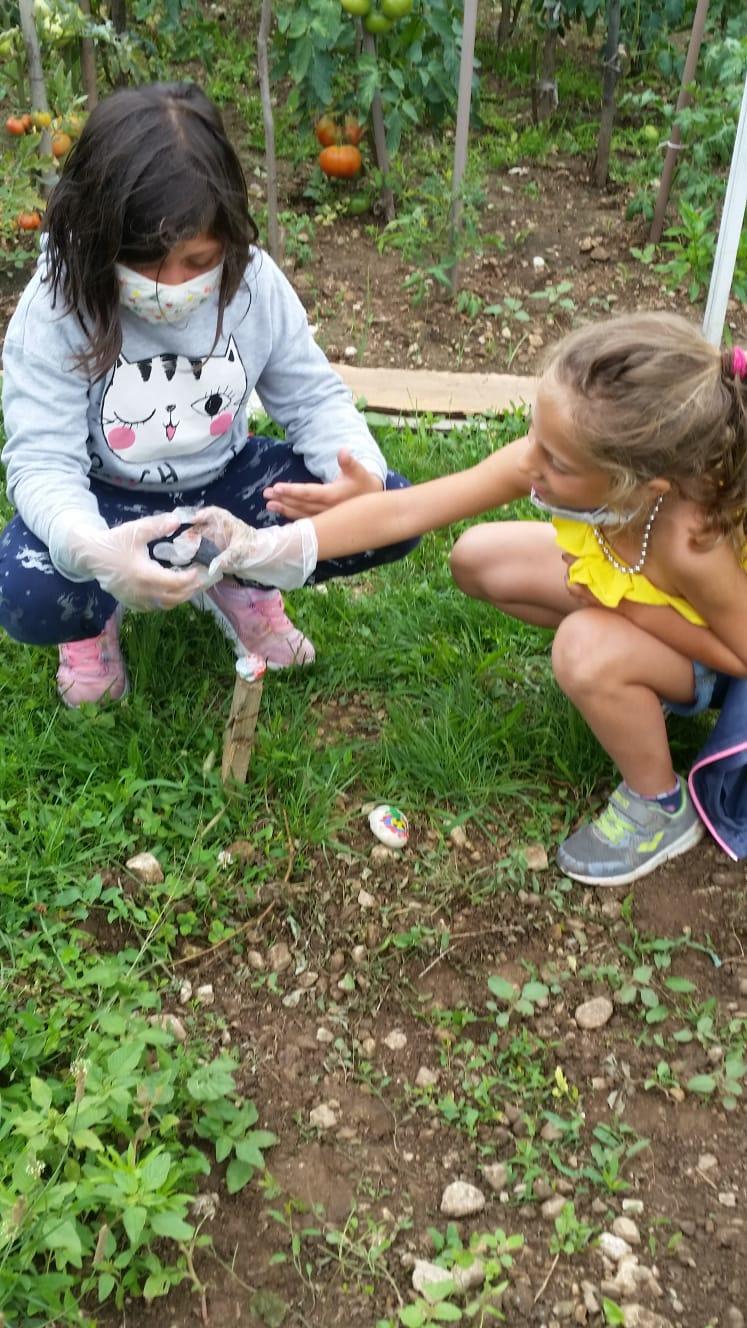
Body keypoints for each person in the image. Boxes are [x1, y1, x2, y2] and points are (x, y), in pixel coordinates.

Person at [184, 313, 747, 887]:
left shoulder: (690, 542)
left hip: (713, 661)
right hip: (638, 603)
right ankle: (619, 671)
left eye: (557, 460)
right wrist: (266, 546)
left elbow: (742, 659)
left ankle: (658, 803)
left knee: (583, 647)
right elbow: (410, 509)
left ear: (640, 485)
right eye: (535, 435)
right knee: (479, 557)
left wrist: (628, 612)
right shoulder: (564, 460)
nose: (531, 462)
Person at [0, 82, 416, 707]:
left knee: (390, 513)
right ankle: (94, 614)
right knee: (24, 591)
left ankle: (242, 577)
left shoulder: (253, 283)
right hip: (106, 498)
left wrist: (355, 471)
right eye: (142, 260)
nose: (172, 285)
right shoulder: (58, 301)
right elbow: (42, 462)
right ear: (95, 235)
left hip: (227, 485)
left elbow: (312, 398)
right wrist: (96, 550)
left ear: (229, 233)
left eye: (198, 259)